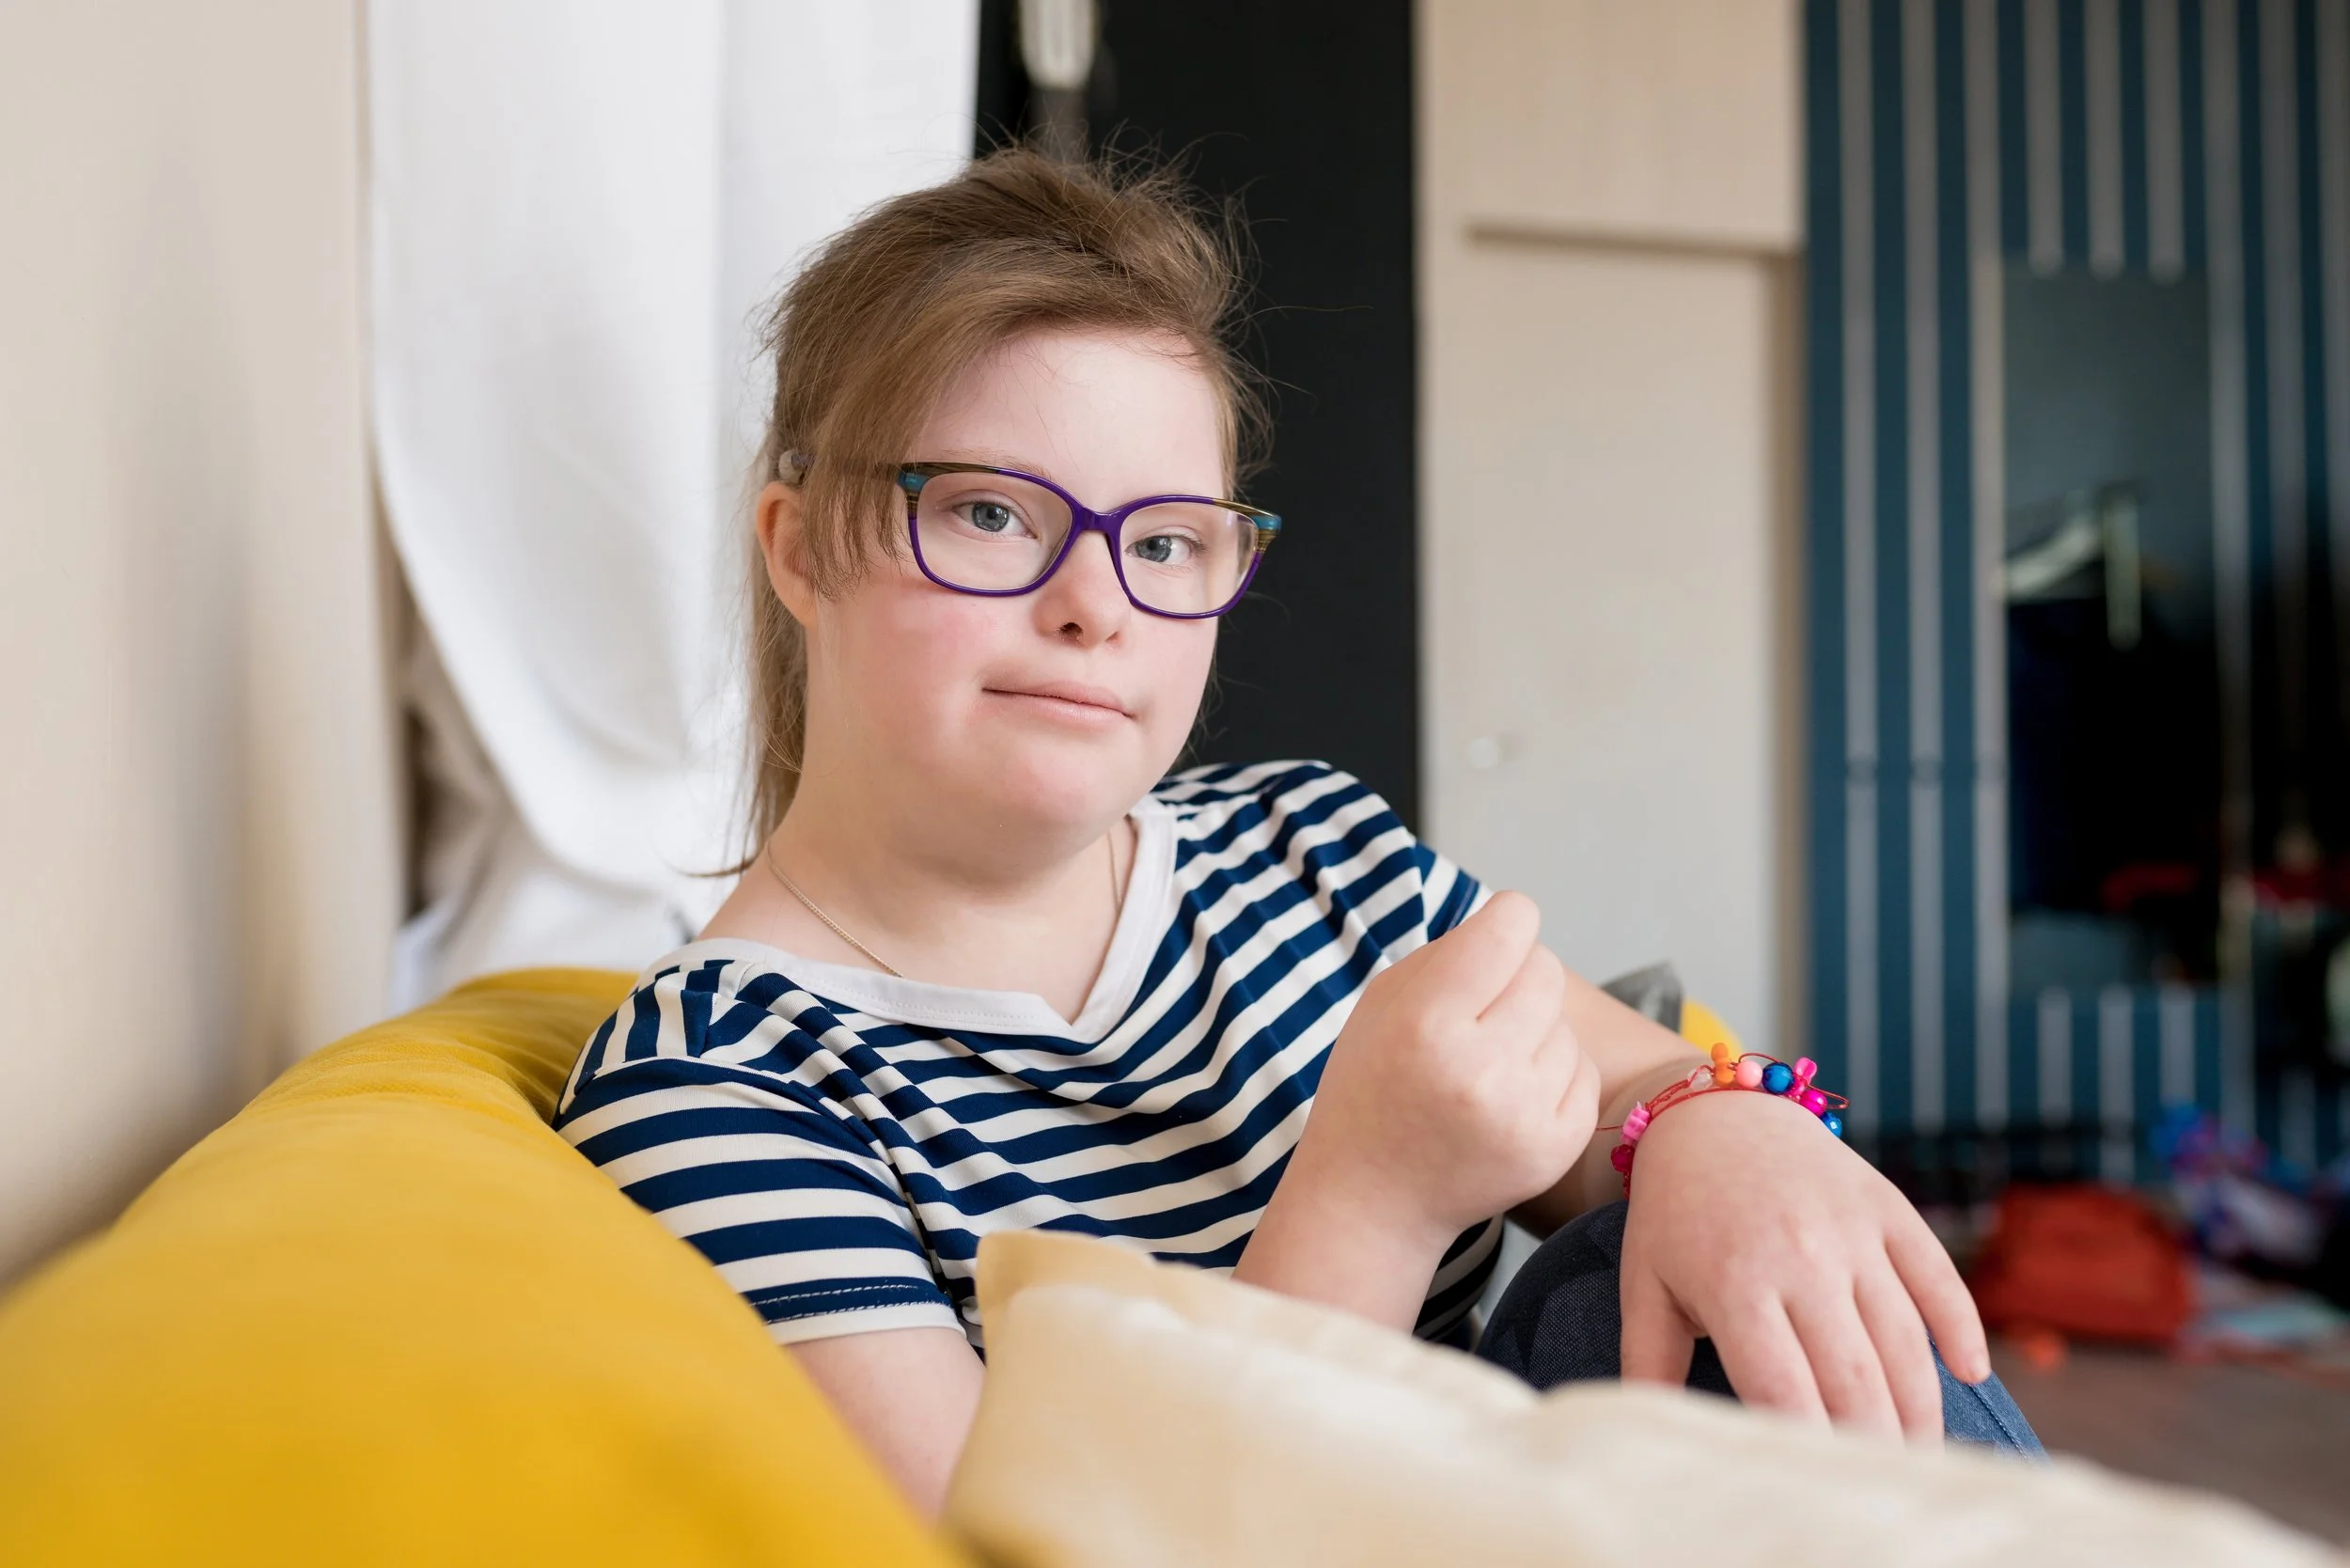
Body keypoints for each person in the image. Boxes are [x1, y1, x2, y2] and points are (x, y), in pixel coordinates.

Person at [555, 147, 2037, 1516]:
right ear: (800, 545)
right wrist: (1373, 1199)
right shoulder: (719, 1084)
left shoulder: (1309, 850)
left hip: (1513, 1513)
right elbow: (1025, 1546)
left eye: (1164, 540)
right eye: (995, 515)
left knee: (1712, 1261)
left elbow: (1630, 1089)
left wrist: (1723, 1126)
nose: (1097, 605)